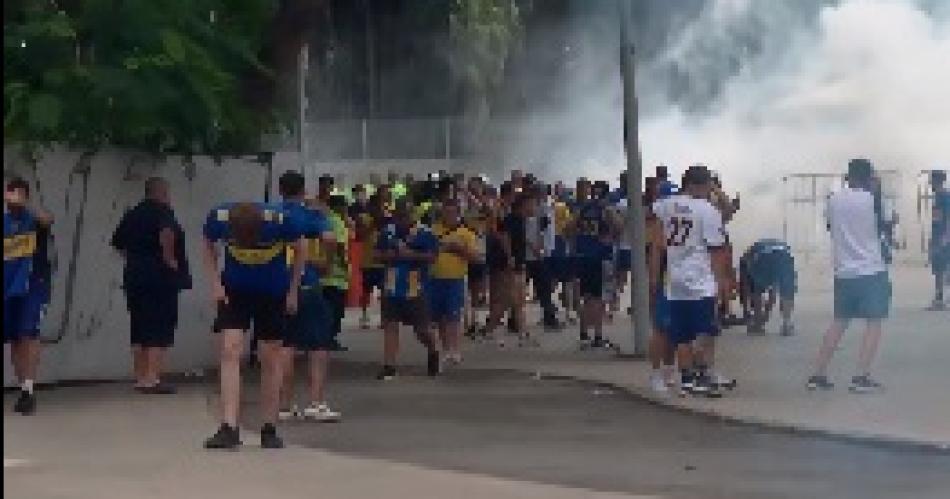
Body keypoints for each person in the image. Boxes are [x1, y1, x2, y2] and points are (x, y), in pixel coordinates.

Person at [202, 201, 306, 449]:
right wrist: (215, 284)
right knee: (230, 349)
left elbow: (301, 249)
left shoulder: (281, 221)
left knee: (270, 356)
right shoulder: (219, 217)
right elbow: (207, 245)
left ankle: (269, 427)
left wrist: (292, 292)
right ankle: (229, 426)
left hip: (272, 293)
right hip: (235, 292)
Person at [807, 159, 892, 394]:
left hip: (844, 271)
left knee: (839, 322)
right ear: (869, 178)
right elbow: (886, 225)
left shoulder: (834, 200)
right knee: (874, 323)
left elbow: (829, 226)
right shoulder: (874, 200)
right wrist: (878, 191)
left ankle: (818, 374)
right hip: (872, 270)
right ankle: (861, 376)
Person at [652, 166, 732, 398]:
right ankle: (703, 374)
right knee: (706, 331)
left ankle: (687, 378)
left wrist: (654, 276)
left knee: (682, 334)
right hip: (699, 279)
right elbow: (716, 250)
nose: (710, 191)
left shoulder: (667, 205)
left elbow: (658, 237)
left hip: (675, 279)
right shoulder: (706, 210)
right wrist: (721, 282)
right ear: (698, 186)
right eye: (708, 186)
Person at [111, 177, 191, 394]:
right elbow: (167, 232)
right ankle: (152, 378)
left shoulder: (132, 214)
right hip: (159, 278)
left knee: (138, 325)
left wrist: (136, 258)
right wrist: (169, 259)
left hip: (134, 276)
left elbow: (118, 244)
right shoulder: (163, 212)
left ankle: (140, 376)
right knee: (159, 324)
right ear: (162, 192)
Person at [276, 171, 342, 422]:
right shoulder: (311, 215)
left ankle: (284, 404)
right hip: (307, 283)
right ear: (303, 190)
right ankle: (315, 402)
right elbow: (330, 238)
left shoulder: (272, 214)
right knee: (318, 345)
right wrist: (325, 261)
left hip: (277, 285)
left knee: (285, 345)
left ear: (281, 190)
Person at [4, 176, 54, 415]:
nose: (13, 196)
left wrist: (25, 204)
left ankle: (29, 389)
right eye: (10, 192)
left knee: (29, 333)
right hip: (8, 287)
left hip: (33, 284)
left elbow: (47, 219)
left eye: (18, 192)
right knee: (15, 338)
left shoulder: (33, 219)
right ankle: (22, 386)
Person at [375, 200, 440, 380]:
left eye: (405, 216)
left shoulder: (425, 233)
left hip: (416, 289)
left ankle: (433, 350)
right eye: (398, 216)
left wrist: (413, 255)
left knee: (422, 330)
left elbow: (433, 256)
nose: (401, 220)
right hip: (391, 287)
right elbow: (377, 254)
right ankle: (389, 365)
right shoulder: (387, 232)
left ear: (413, 215)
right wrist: (390, 255)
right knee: (390, 325)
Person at [430, 199, 479, 365]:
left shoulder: (466, 233)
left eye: (452, 212)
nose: (448, 215)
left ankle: (455, 349)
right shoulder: (433, 230)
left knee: (454, 316)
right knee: (440, 317)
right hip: (434, 279)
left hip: (455, 279)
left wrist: (458, 249)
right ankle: (446, 349)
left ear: (458, 214)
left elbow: (474, 257)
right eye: (446, 212)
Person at [572, 179, 614, 349]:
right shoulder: (605, 210)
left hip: (583, 257)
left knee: (587, 297)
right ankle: (597, 335)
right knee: (598, 299)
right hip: (599, 257)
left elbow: (569, 228)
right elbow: (619, 226)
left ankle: (584, 333)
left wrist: (579, 242)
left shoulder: (582, 209)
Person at [739, 239, 796, 336]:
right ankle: (786, 323)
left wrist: (749, 312)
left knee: (756, 290)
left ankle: (758, 325)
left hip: (764, 259)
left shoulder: (747, 262)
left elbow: (751, 291)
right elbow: (772, 290)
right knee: (786, 290)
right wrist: (766, 313)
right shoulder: (758, 247)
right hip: (785, 258)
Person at [322, 195, 351, 351]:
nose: (346, 209)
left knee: (327, 309)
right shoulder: (337, 222)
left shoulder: (324, 220)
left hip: (324, 276)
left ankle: (325, 338)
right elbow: (338, 245)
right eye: (344, 206)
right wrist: (344, 264)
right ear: (338, 207)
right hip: (336, 276)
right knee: (335, 311)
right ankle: (328, 339)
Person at [927, 170, 949, 310]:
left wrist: (944, 237)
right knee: (938, 269)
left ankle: (939, 299)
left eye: (931, 180)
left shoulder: (944, 196)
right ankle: (939, 297)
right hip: (937, 235)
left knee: (941, 268)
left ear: (937, 181)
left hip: (942, 237)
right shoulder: (938, 196)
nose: (930, 183)